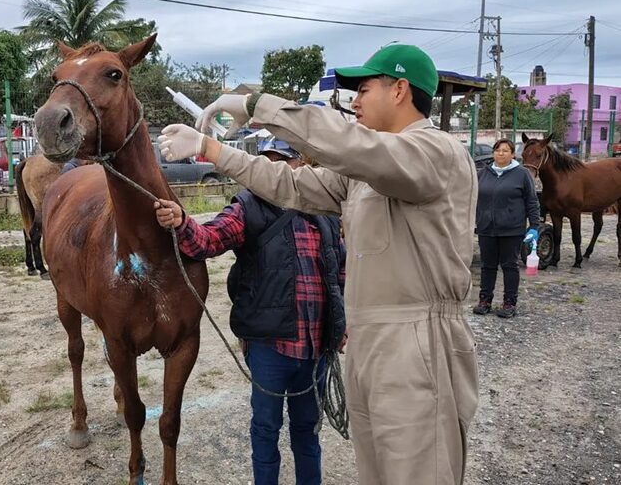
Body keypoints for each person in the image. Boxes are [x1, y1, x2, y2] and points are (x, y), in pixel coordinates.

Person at [157, 44, 479, 485]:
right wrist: (214, 149)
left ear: (401, 89)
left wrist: (256, 105)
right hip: (370, 341)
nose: (356, 102)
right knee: (378, 471)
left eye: (364, 89)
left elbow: (348, 145)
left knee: (418, 470)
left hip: (416, 339)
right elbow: (287, 184)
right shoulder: (367, 171)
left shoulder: (435, 151)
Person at [154, 137, 346, 485]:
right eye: (267, 162)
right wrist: (182, 221)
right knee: (265, 429)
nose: (273, 170)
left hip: (317, 348)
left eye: (282, 161)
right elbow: (207, 240)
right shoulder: (247, 207)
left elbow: (340, 271)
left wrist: (343, 322)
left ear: (302, 166)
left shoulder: (327, 213)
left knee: (307, 429)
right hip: (270, 348)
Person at [474, 138, 540, 318]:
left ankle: (509, 303)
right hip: (486, 228)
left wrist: (534, 226)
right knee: (487, 266)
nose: (500, 153)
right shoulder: (483, 173)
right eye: (497, 150)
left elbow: (532, 201)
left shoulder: (521, 174)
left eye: (505, 150)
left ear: (512, 154)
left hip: (511, 229)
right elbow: (473, 198)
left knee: (509, 266)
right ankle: (485, 300)